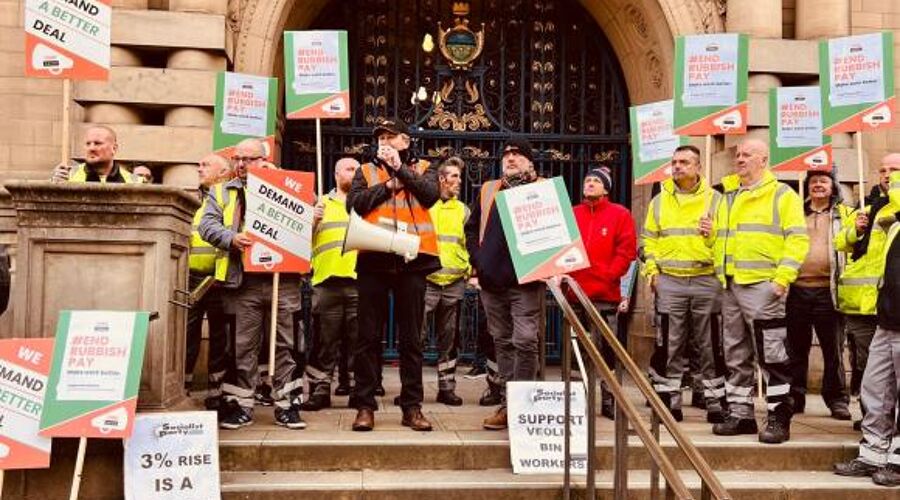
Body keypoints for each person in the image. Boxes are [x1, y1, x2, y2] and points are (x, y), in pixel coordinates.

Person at [198, 138, 305, 430]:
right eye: (238, 159)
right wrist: (231, 238)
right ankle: (240, 406)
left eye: (249, 159)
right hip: (241, 281)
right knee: (241, 346)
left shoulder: (288, 186)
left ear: (264, 159)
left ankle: (287, 406)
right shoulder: (220, 191)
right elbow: (207, 226)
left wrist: (315, 215)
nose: (242, 164)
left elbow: (306, 225)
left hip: (283, 280)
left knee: (287, 344)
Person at [707, 139, 809, 444]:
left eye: (747, 155)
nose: (739, 159)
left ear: (763, 160)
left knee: (772, 354)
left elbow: (798, 240)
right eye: (737, 154)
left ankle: (779, 415)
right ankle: (741, 414)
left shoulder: (782, 194)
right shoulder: (726, 196)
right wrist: (709, 236)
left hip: (764, 286)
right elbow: (721, 242)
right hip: (731, 284)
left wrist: (783, 278)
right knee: (736, 354)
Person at [347, 117, 440, 432]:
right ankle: (364, 405)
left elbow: (430, 195)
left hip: (413, 261)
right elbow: (356, 205)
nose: (384, 142)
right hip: (373, 258)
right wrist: (388, 185)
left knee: (412, 338)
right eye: (380, 138)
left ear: (405, 140)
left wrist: (400, 170)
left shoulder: (425, 167)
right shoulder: (365, 171)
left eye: (391, 137)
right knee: (367, 337)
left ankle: (412, 407)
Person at [465, 138, 545, 431]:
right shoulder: (489, 190)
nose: (510, 158)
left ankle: (523, 404)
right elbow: (471, 228)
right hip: (492, 281)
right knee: (502, 341)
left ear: (529, 162)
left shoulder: (543, 189)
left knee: (525, 340)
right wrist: (478, 259)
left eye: (517, 154)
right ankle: (509, 405)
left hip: (526, 281)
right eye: (507, 155)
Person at [642, 145, 726, 423]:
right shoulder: (659, 201)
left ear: (698, 167)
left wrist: (712, 234)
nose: (677, 167)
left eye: (684, 162)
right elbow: (648, 240)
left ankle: (715, 401)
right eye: (674, 162)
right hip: (669, 281)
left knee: (710, 344)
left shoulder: (716, 200)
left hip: (706, 279)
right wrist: (652, 272)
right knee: (670, 343)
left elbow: (728, 240)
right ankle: (670, 401)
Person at [834, 168, 900, 486]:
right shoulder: (888, 220)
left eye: (896, 172)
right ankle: (872, 453)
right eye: (885, 171)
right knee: (874, 390)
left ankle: (898, 459)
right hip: (887, 320)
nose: (889, 177)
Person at [569, 165, 636, 419]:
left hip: (605, 296)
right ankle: (577, 400)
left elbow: (626, 251)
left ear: (606, 187)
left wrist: (609, 275)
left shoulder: (620, 214)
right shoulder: (573, 214)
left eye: (596, 181)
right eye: (587, 180)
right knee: (577, 352)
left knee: (607, 352)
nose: (590, 183)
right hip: (575, 295)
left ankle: (610, 398)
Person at [786, 168, 852, 420]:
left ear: (833, 186)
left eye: (823, 181)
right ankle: (795, 396)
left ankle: (837, 399)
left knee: (833, 349)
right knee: (796, 348)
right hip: (797, 289)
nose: (818, 185)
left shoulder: (844, 214)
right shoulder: (795, 213)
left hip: (829, 291)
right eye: (813, 182)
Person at [302, 157, 360, 411]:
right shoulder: (320, 204)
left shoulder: (365, 203)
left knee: (359, 342)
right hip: (326, 282)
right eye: (350, 169)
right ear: (337, 174)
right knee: (324, 341)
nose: (356, 173)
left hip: (359, 282)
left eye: (358, 170)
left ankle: (359, 390)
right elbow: (300, 243)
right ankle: (320, 389)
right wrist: (311, 220)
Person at [420, 156, 471, 406]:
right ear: (441, 179)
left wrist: (468, 269)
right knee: (415, 338)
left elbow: (469, 242)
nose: (458, 181)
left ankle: (446, 388)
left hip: (454, 282)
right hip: (426, 281)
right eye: (454, 176)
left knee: (449, 340)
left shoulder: (464, 210)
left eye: (459, 176)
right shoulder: (423, 206)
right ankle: (413, 389)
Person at [185, 154, 234, 410]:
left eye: (205, 165)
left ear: (224, 172)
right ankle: (184, 385)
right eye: (199, 164)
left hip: (220, 277)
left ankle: (216, 391)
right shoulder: (190, 200)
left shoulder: (230, 198)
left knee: (220, 337)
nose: (199, 168)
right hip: (191, 277)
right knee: (187, 334)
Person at [50, 125, 135, 183]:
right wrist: (53, 186)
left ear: (114, 148)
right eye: (88, 144)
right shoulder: (67, 176)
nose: (91, 148)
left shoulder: (134, 182)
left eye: (97, 143)